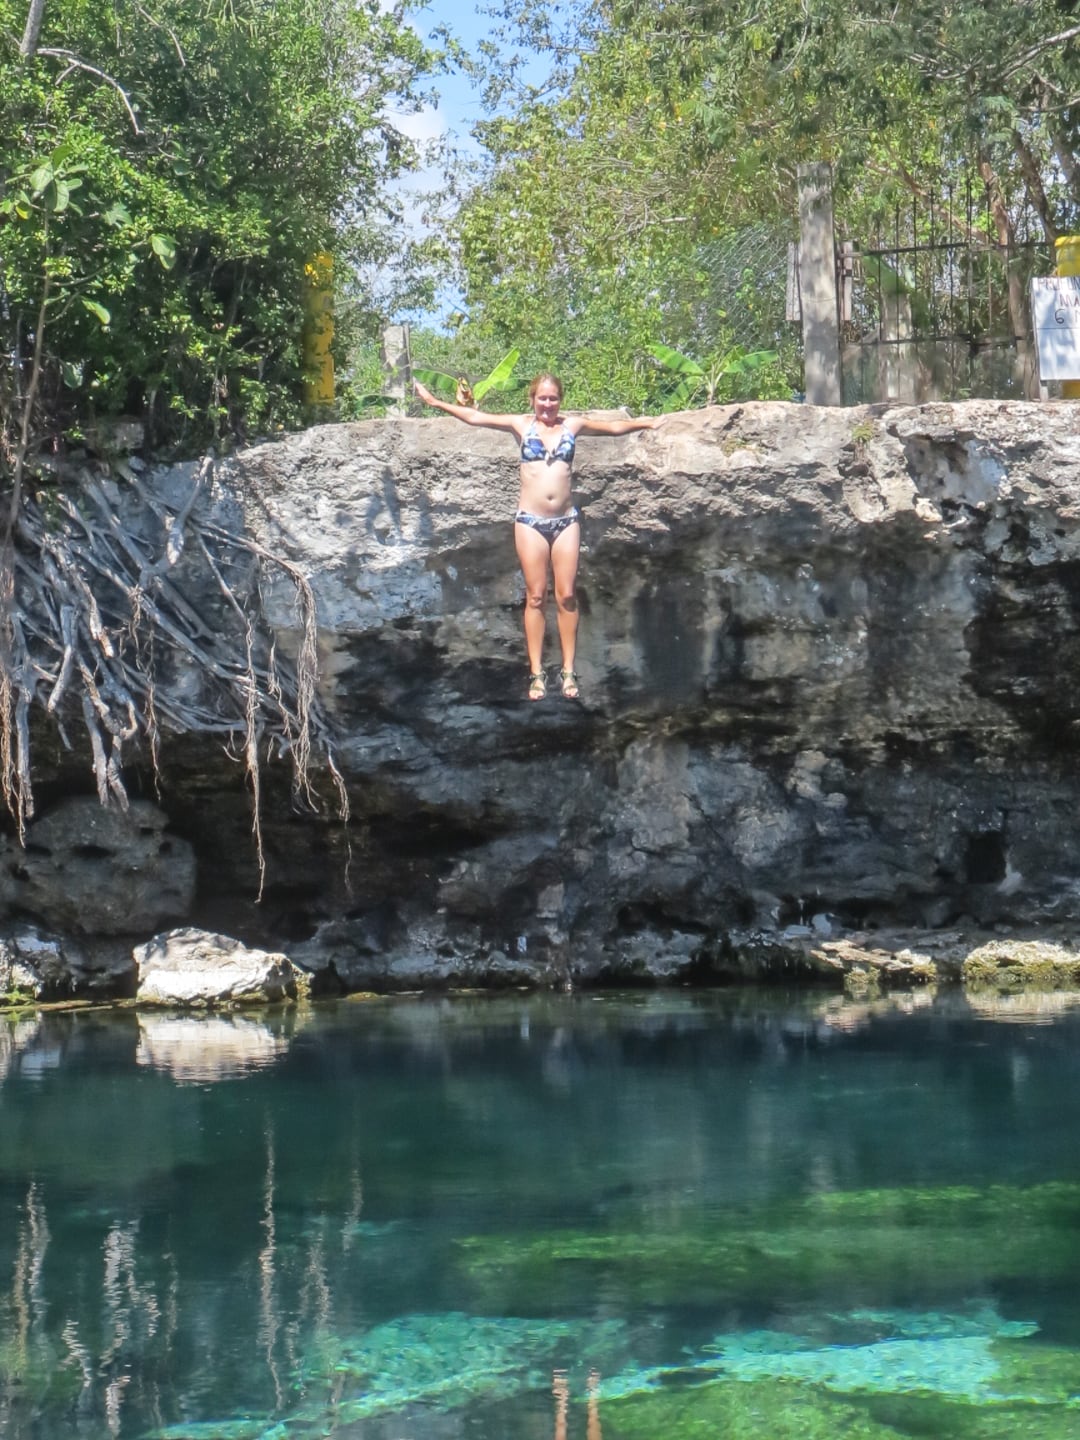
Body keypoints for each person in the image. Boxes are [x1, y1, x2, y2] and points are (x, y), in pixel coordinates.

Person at [413, 372, 663, 700]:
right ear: (532, 399)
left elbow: (613, 428)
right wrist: (434, 402)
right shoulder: (521, 425)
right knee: (535, 596)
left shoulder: (572, 426)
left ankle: (569, 670)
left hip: (565, 522)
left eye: (553, 398)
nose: (547, 404)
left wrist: (646, 423)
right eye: (542, 398)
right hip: (530, 522)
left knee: (567, 595)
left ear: (560, 400)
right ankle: (536, 673)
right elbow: (475, 417)